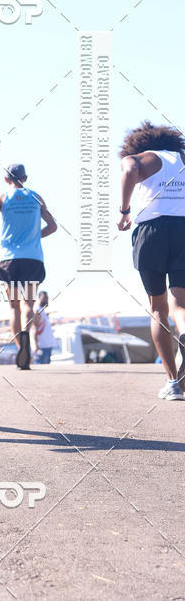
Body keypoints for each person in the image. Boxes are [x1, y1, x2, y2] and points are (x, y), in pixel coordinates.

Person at [117, 121, 185, 401]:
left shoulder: (142, 159)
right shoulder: (181, 159)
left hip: (151, 232)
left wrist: (124, 210)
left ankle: (173, 383)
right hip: (183, 230)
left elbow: (130, 169)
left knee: (158, 309)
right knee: (180, 303)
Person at [0, 164, 57, 369]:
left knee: (14, 306)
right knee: (28, 306)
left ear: (6, 179)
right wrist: (34, 237)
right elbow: (53, 226)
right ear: (25, 178)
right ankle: (27, 343)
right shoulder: (36, 198)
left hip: (9, 259)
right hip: (32, 259)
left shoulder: (1, 198)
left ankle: (19, 347)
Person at [33, 291, 56, 364]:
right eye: (44, 298)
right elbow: (34, 328)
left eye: (47, 298)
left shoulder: (42, 311)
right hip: (42, 346)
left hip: (47, 345)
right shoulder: (37, 310)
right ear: (39, 298)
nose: (46, 300)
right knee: (42, 368)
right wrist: (35, 344)